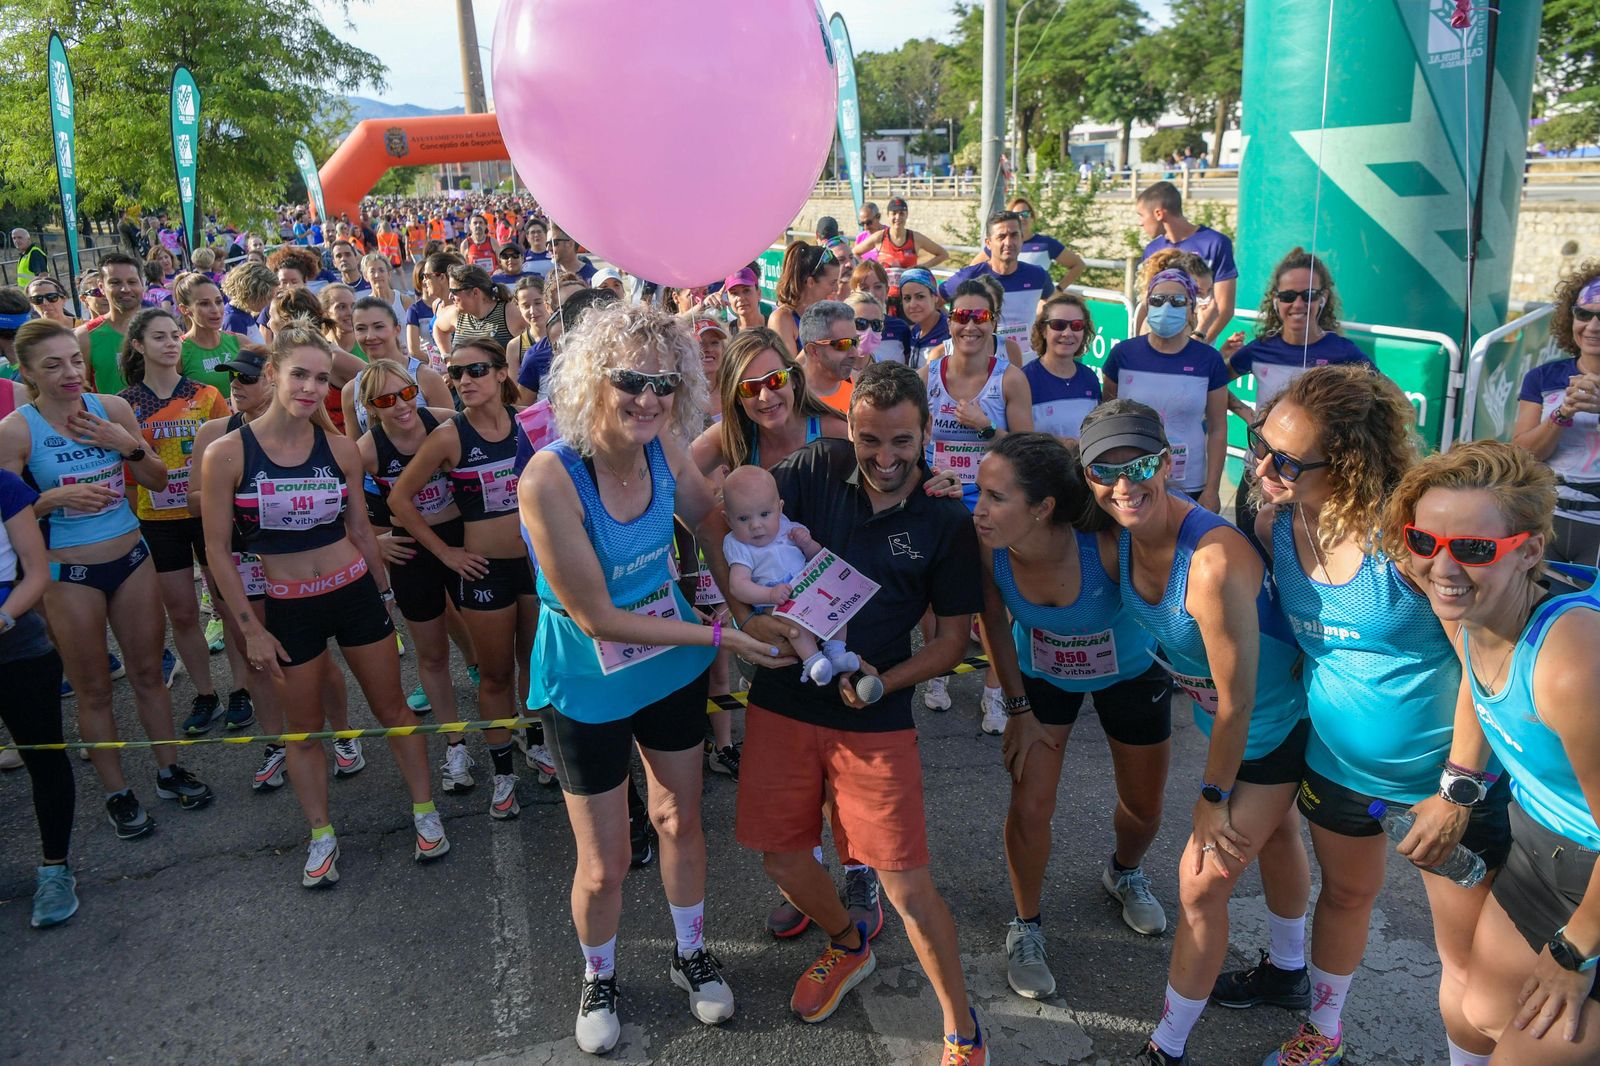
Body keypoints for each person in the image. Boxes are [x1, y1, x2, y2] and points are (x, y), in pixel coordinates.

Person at [707, 360, 989, 1066]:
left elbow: (953, 640)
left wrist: (882, 682)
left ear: (927, 432)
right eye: (870, 440)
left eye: (901, 442)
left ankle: (962, 1028)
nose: (885, 459)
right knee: (780, 856)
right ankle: (845, 938)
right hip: (783, 698)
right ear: (850, 430)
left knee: (904, 882)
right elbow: (727, 530)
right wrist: (749, 617)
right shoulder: (812, 468)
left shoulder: (945, 517)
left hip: (875, 712)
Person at [521, 303, 783, 1053]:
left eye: (665, 383)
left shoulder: (665, 446)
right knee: (603, 865)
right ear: (588, 381)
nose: (648, 397)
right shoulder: (550, 477)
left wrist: (755, 599)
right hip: (588, 676)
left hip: (671, 660)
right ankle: (598, 973)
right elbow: (598, 617)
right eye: (630, 380)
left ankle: (690, 950)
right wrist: (721, 632)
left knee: (678, 821)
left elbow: (711, 519)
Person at [1236, 366, 1505, 1066]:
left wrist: (1455, 792)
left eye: (1288, 460)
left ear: (1349, 463)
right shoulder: (1272, 522)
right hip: (1338, 768)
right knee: (1347, 896)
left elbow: (1484, 663)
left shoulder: (1408, 542)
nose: (1264, 466)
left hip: (1443, 785)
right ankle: (1322, 1035)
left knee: (1470, 967)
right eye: (1260, 443)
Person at [1075, 400, 1310, 1066]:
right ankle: (1288, 972)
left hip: (1273, 726)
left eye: (1140, 464)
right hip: (1231, 728)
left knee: (1200, 881)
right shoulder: (1113, 530)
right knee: (1279, 834)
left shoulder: (1209, 562)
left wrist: (1212, 795)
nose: (1124, 484)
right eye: (1105, 469)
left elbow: (1236, 704)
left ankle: (1167, 1046)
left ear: (1169, 462)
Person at [199, 321, 447, 886]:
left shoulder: (338, 448)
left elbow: (361, 530)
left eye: (320, 377)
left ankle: (426, 813)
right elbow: (216, 551)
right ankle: (321, 835)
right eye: (298, 375)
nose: (310, 387)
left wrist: (385, 598)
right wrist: (250, 631)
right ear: (271, 376)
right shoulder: (227, 454)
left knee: (392, 711)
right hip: (286, 607)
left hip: (353, 593)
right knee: (304, 729)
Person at [1384, 441, 1600, 1065]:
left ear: (1530, 550)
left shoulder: (1569, 663)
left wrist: (1574, 952)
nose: (1443, 568)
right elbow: (1478, 692)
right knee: (1477, 1014)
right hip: (1540, 845)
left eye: (1475, 549)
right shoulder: (1462, 606)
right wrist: (1457, 790)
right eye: (1424, 542)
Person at [975, 432, 1172, 1000]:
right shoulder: (985, 541)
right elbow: (991, 619)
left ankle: (1124, 871)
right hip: (1042, 678)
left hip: (1131, 672)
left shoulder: (1105, 541)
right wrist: (1016, 708)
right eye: (979, 493)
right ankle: (1026, 925)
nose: (980, 509)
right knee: (1030, 803)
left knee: (1144, 806)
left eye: (995, 497)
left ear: (1042, 508)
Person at [0, 319, 213, 840]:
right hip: (66, 570)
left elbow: (158, 481)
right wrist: (50, 500)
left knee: (147, 673)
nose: (70, 372)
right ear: (26, 372)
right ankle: (117, 790)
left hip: (131, 555)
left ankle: (168, 770)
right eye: (53, 365)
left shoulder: (112, 408)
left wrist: (128, 445)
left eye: (74, 360)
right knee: (94, 688)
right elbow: (7, 514)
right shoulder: (17, 430)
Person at [389, 339, 543, 814]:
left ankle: (534, 741)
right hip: (485, 571)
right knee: (495, 673)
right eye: (456, 374)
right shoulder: (451, 436)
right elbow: (399, 499)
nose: (465, 381)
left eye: (476, 369)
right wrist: (445, 553)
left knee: (535, 668)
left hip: (536, 567)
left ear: (501, 373)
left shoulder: (532, 421)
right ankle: (502, 774)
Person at [354, 358, 487, 789]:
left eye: (408, 393)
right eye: (387, 400)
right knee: (431, 654)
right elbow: (335, 502)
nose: (402, 405)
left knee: (491, 645)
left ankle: (512, 727)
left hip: (461, 541)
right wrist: (372, 541)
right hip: (412, 550)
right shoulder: (368, 449)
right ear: (372, 407)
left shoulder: (446, 422)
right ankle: (455, 744)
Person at [117, 307, 244, 735]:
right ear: (138, 345)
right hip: (158, 519)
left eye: (175, 335)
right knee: (184, 613)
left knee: (228, 604)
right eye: (159, 337)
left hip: (208, 512)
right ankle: (207, 693)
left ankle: (242, 689)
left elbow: (230, 453)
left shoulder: (208, 394)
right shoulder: (124, 404)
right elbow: (126, 470)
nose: (171, 343)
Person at [919, 278, 1032, 731]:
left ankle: (993, 691)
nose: (969, 325)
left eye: (978, 316)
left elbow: (1026, 449)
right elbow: (916, 432)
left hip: (990, 498)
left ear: (993, 321)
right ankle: (937, 676)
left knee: (993, 595)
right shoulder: (931, 368)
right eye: (961, 316)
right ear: (950, 321)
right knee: (934, 594)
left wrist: (987, 428)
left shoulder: (1011, 376)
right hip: (940, 493)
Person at [1227, 248, 1371, 537]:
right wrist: (1249, 415)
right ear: (1276, 300)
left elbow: (1389, 400)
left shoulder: (1342, 353)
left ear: (1324, 299)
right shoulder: (1260, 348)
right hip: (1260, 472)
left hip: (1312, 482)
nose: (1298, 304)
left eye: (1309, 295)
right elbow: (1214, 383)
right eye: (1288, 296)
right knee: (1255, 553)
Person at [0, 460, 76, 927]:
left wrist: (4, 617)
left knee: (44, 757)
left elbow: (36, 574)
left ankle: (55, 868)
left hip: (18, 648)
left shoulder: (6, 486)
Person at [1101, 269, 1230, 513]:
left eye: (1177, 301)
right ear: (1147, 304)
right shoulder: (1124, 355)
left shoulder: (1208, 360)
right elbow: (1106, 419)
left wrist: (1212, 490)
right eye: (1158, 300)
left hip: (1190, 482)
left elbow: (1217, 428)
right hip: (1131, 479)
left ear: (1191, 307)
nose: (1166, 307)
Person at [722, 464, 859, 684]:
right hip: (775, 601)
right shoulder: (739, 545)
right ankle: (813, 660)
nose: (756, 525)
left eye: (765, 514)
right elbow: (738, 586)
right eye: (743, 519)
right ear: (728, 520)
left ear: (780, 509)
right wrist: (769, 595)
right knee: (794, 625)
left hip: (808, 587)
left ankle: (836, 652)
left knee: (837, 605)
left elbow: (818, 558)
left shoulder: (789, 528)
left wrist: (808, 544)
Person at [1513, 261, 1600, 566]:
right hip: (1545, 516)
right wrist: (1562, 414)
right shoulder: (1542, 378)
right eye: (1584, 314)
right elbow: (1523, 453)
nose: (1592, 326)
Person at [942, 212, 1055, 363]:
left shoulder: (1038, 276)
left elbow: (1053, 306)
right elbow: (934, 302)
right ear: (988, 243)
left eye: (1014, 235)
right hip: (981, 367)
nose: (1008, 242)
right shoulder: (968, 277)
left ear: (1022, 239)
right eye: (1001, 237)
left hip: (1026, 364)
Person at [1137, 182, 1238, 344]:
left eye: (1141, 215)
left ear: (1158, 213)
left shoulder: (1216, 243)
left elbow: (1224, 307)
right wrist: (1137, 344)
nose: (1140, 223)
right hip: (1156, 344)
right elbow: (1145, 304)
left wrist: (1199, 344)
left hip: (1198, 342)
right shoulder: (1152, 250)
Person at [338, 297, 451, 434]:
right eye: (361, 329)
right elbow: (356, 450)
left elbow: (453, 434)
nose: (370, 336)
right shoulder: (351, 391)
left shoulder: (426, 378)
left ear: (397, 329)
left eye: (379, 327)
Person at [1024, 292, 1101, 443]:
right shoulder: (1024, 379)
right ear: (1043, 330)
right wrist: (1060, 444)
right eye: (1058, 325)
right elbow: (1019, 438)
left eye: (1077, 325)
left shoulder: (1090, 378)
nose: (1067, 333)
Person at [971, 195, 1086, 286]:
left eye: (1025, 213)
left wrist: (1059, 290)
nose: (1021, 218)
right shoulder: (1000, 245)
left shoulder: (1046, 244)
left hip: (1037, 307)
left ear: (1032, 217)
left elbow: (1078, 265)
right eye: (1016, 214)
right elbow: (972, 269)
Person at [76, 252, 147, 394]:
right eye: (115, 282)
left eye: (132, 282)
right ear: (101, 287)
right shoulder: (85, 337)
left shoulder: (165, 329)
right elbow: (80, 394)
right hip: (109, 416)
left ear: (142, 284)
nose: (125, 289)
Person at [852, 196, 948, 289]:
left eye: (901, 213)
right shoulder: (880, 237)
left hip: (908, 295)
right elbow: (854, 252)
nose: (897, 217)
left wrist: (921, 267)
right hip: (885, 295)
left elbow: (943, 254)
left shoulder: (915, 238)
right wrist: (871, 269)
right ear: (888, 215)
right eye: (894, 213)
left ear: (907, 215)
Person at [175, 272, 245, 392]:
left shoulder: (240, 341)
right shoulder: (178, 350)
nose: (215, 310)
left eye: (218, 302)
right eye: (204, 304)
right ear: (185, 309)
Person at [433, 265, 525, 355]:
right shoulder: (457, 314)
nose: (450, 297)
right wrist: (446, 356)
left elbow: (537, 332)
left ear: (475, 292)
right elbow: (437, 327)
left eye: (454, 292)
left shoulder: (509, 313)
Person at [767, 243, 840, 356]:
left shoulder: (826, 315)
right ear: (810, 282)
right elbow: (790, 371)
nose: (836, 288)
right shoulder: (782, 319)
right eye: (832, 283)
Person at [796, 300, 863, 415]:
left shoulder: (859, 386)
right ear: (814, 351)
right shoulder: (790, 398)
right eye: (844, 344)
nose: (854, 353)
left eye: (855, 341)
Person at [408, 251, 460, 371]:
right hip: (439, 373)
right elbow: (436, 348)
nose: (424, 282)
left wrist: (453, 372)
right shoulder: (436, 305)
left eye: (426, 276)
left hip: (460, 373)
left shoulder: (460, 306)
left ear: (441, 277)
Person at [509, 277, 550, 405]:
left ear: (547, 301)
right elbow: (515, 394)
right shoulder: (515, 346)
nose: (532, 311)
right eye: (526, 306)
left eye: (538, 303)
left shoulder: (563, 336)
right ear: (518, 307)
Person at [901, 268, 951, 369]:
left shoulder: (950, 331)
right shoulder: (914, 331)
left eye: (920, 297)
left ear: (935, 297)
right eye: (907, 298)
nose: (912, 304)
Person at [846, 289, 910, 367]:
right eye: (860, 323)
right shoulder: (831, 370)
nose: (869, 330)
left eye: (876, 324)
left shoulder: (887, 371)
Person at [220, 261, 274, 344]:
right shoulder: (234, 320)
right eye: (269, 297)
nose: (270, 302)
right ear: (253, 294)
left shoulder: (243, 314)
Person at [361, 252, 412, 331]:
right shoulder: (364, 307)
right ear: (365, 276)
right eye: (372, 271)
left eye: (381, 270)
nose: (377, 275)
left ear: (389, 274)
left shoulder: (404, 301)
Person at [722, 267, 766, 333]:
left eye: (746, 290)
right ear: (728, 298)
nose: (740, 298)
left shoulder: (775, 325)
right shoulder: (726, 333)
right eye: (734, 293)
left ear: (758, 294)